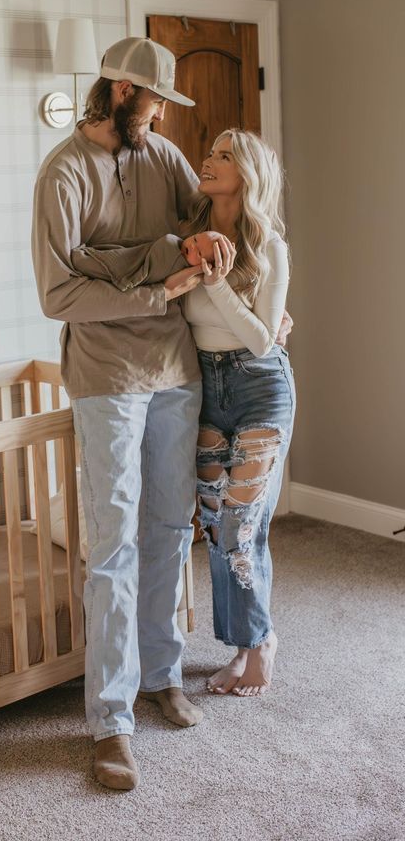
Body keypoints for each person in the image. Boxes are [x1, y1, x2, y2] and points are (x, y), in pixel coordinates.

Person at [31, 37, 219, 792]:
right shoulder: (63, 173)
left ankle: (161, 673)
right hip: (108, 373)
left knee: (171, 529)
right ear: (116, 91)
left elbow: (197, 242)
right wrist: (153, 280)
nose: (162, 114)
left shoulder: (164, 157)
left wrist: (139, 258)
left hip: (177, 368)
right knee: (112, 541)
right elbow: (57, 293)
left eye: (166, 104)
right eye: (153, 101)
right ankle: (110, 720)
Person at [180, 129, 295, 697]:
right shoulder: (188, 236)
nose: (209, 160)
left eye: (224, 156)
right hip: (207, 389)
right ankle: (244, 643)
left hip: (259, 390)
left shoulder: (268, 245)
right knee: (214, 524)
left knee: (240, 525)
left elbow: (259, 342)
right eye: (211, 153)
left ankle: (259, 642)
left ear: (247, 175)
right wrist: (194, 267)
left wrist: (217, 282)